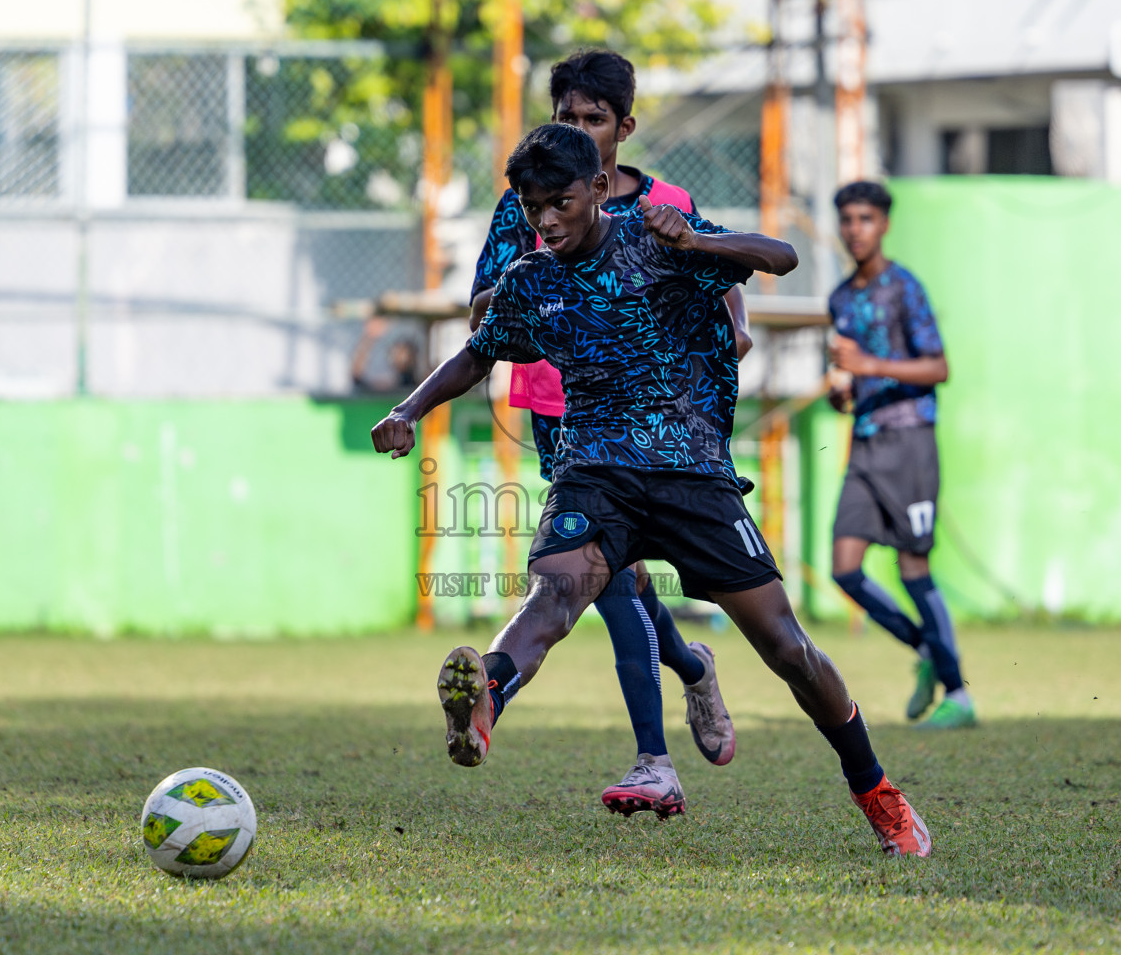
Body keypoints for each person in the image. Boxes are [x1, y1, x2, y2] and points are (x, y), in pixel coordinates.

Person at [374, 125, 931, 856]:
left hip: (691, 473)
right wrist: (408, 408)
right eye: (533, 206)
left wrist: (697, 243)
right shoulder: (531, 281)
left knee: (786, 647)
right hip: (595, 476)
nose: (546, 221)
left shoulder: (656, 237)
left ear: (599, 189)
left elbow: (781, 258)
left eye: (561, 203)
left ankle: (877, 791)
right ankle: (485, 703)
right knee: (552, 598)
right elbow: (477, 356)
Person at [468, 49, 749, 811]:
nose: (582, 132)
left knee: (613, 583)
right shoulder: (526, 197)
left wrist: (734, 330)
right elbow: (484, 303)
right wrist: (522, 302)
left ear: (623, 127)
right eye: (568, 118)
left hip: (660, 421)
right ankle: (688, 669)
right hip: (562, 407)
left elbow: (723, 281)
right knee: (611, 582)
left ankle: (652, 756)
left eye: (595, 120)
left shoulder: (666, 202)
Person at [826, 180, 975, 730]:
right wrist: (843, 390)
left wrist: (869, 367)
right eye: (847, 219)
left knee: (914, 567)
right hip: (865, 443)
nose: (854, 229)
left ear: (884, 224)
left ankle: (958, 694)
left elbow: (938, 368)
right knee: (845, 570)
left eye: (865, 218)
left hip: (910, 440)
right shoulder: (840, 298)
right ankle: (928, 652)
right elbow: (851, 375)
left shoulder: (903, 288)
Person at [350, 318, 422, 394]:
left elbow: (356, 373)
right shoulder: (403, 329)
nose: (399, 356)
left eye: (403, 361)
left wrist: (369, 338)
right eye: (400, 352)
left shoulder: (391, 377)